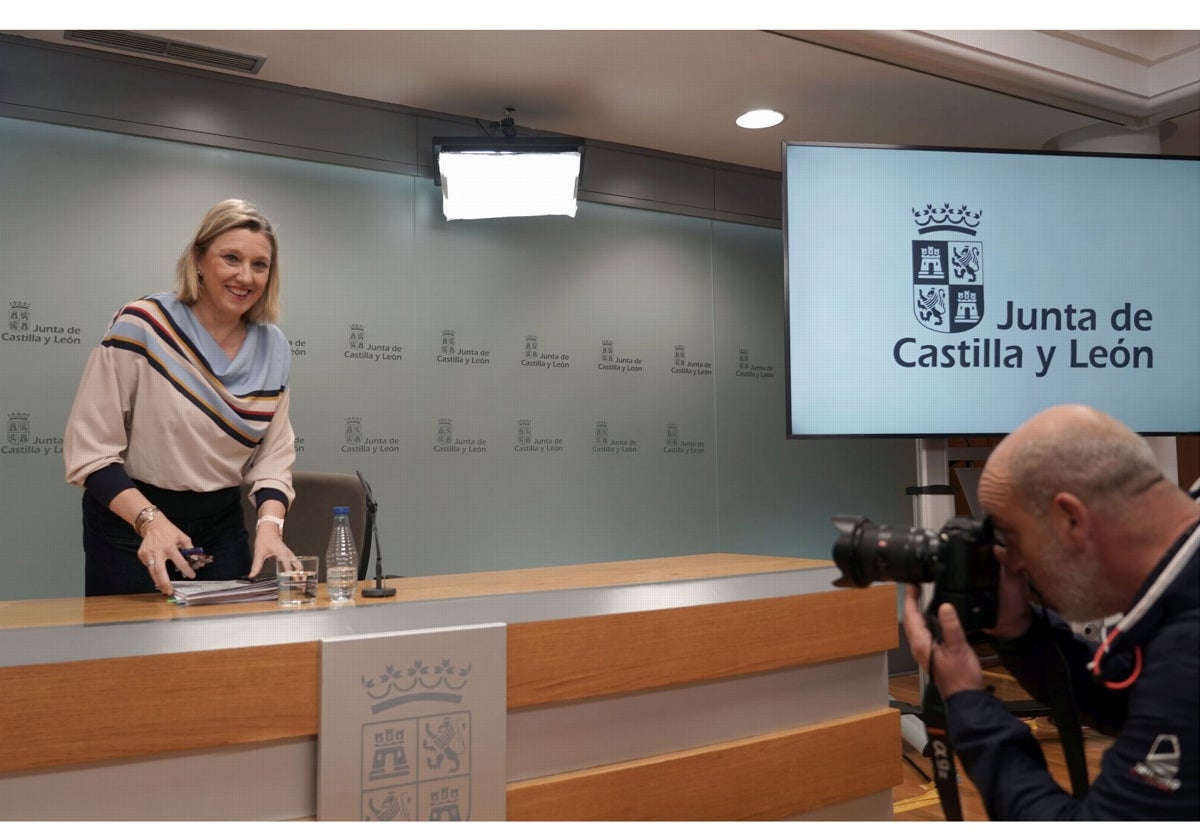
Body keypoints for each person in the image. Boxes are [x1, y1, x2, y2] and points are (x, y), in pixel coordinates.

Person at [903, 404, 1198, 820]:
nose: (1016, 564)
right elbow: (1134, 703)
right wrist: (1020, 633)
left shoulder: (1189, 650)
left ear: (1071, 520)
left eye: (1013, 538)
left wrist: (968, 701)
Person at [64, 199, 298, 596]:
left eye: (260, 265)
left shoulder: (273, 346)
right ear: (199, 260)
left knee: (223, 653)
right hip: (132, 525)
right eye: (231, 258)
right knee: (130, 654)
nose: (246, 276)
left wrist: (269, 527)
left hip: (221, 527)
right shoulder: (142, 326)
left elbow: (273, 458)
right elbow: (90, 453)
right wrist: (150, 521)